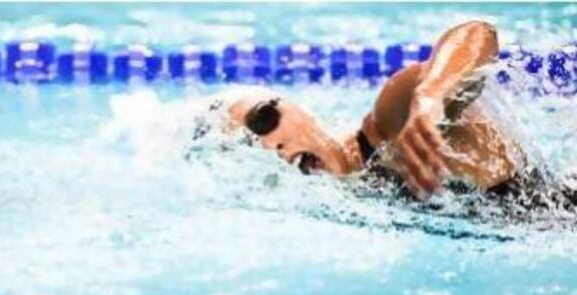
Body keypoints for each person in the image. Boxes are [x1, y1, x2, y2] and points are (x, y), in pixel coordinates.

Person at [225, 20, 574, 211]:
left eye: (264, 119)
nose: (269, 144)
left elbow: (477, 35)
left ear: (298, 109)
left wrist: (431, 97)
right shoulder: (348, 198)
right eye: (249, 143)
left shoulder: (389, 126)